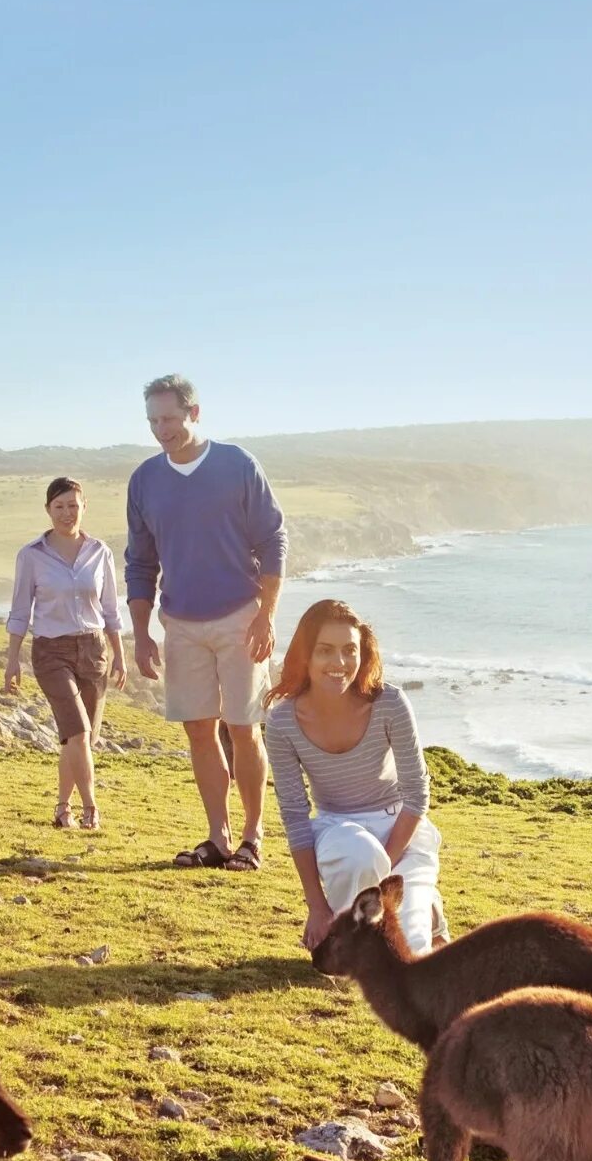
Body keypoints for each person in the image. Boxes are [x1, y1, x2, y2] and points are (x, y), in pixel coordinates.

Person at [125, 373, 287, 871]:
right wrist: (142, 632)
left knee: (243, 728)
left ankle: (252, 838)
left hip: (241, 616)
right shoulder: (145, 480)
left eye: (169, 418)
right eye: (153, 420)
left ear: (194, 413)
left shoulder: (237, 465)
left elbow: (273, 541)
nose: (161, 429)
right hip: (180, 623)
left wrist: (266, 614)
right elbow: (140, 562)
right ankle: (217, 838)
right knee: (199, 730)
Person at [268, 598, 448, 953]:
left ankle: (424, 908)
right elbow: (295, 816)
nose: (339, 663)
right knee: (359, 856)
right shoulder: (282, 721)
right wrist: (317, 908)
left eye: (350, 650)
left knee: (409, 954)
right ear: (306, 656)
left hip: (402, 831)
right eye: (325, 651)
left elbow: (416, 794)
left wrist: (389, 865)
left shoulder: (389, 703)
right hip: (339, 832)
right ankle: (382, 916)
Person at [4, 475, 129, 829]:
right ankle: (91, 809)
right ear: (48, 510)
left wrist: (119, 654)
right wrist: (13, 660)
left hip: (93, 650)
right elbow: (19, 611)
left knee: (81, 738)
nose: (66, 513)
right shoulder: (31, 556)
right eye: (59, 506)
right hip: (50, 652)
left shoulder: (99, 552)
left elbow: (109, 610)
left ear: (84, 507)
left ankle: (62, 808)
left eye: (73, 505)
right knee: (77, 732)